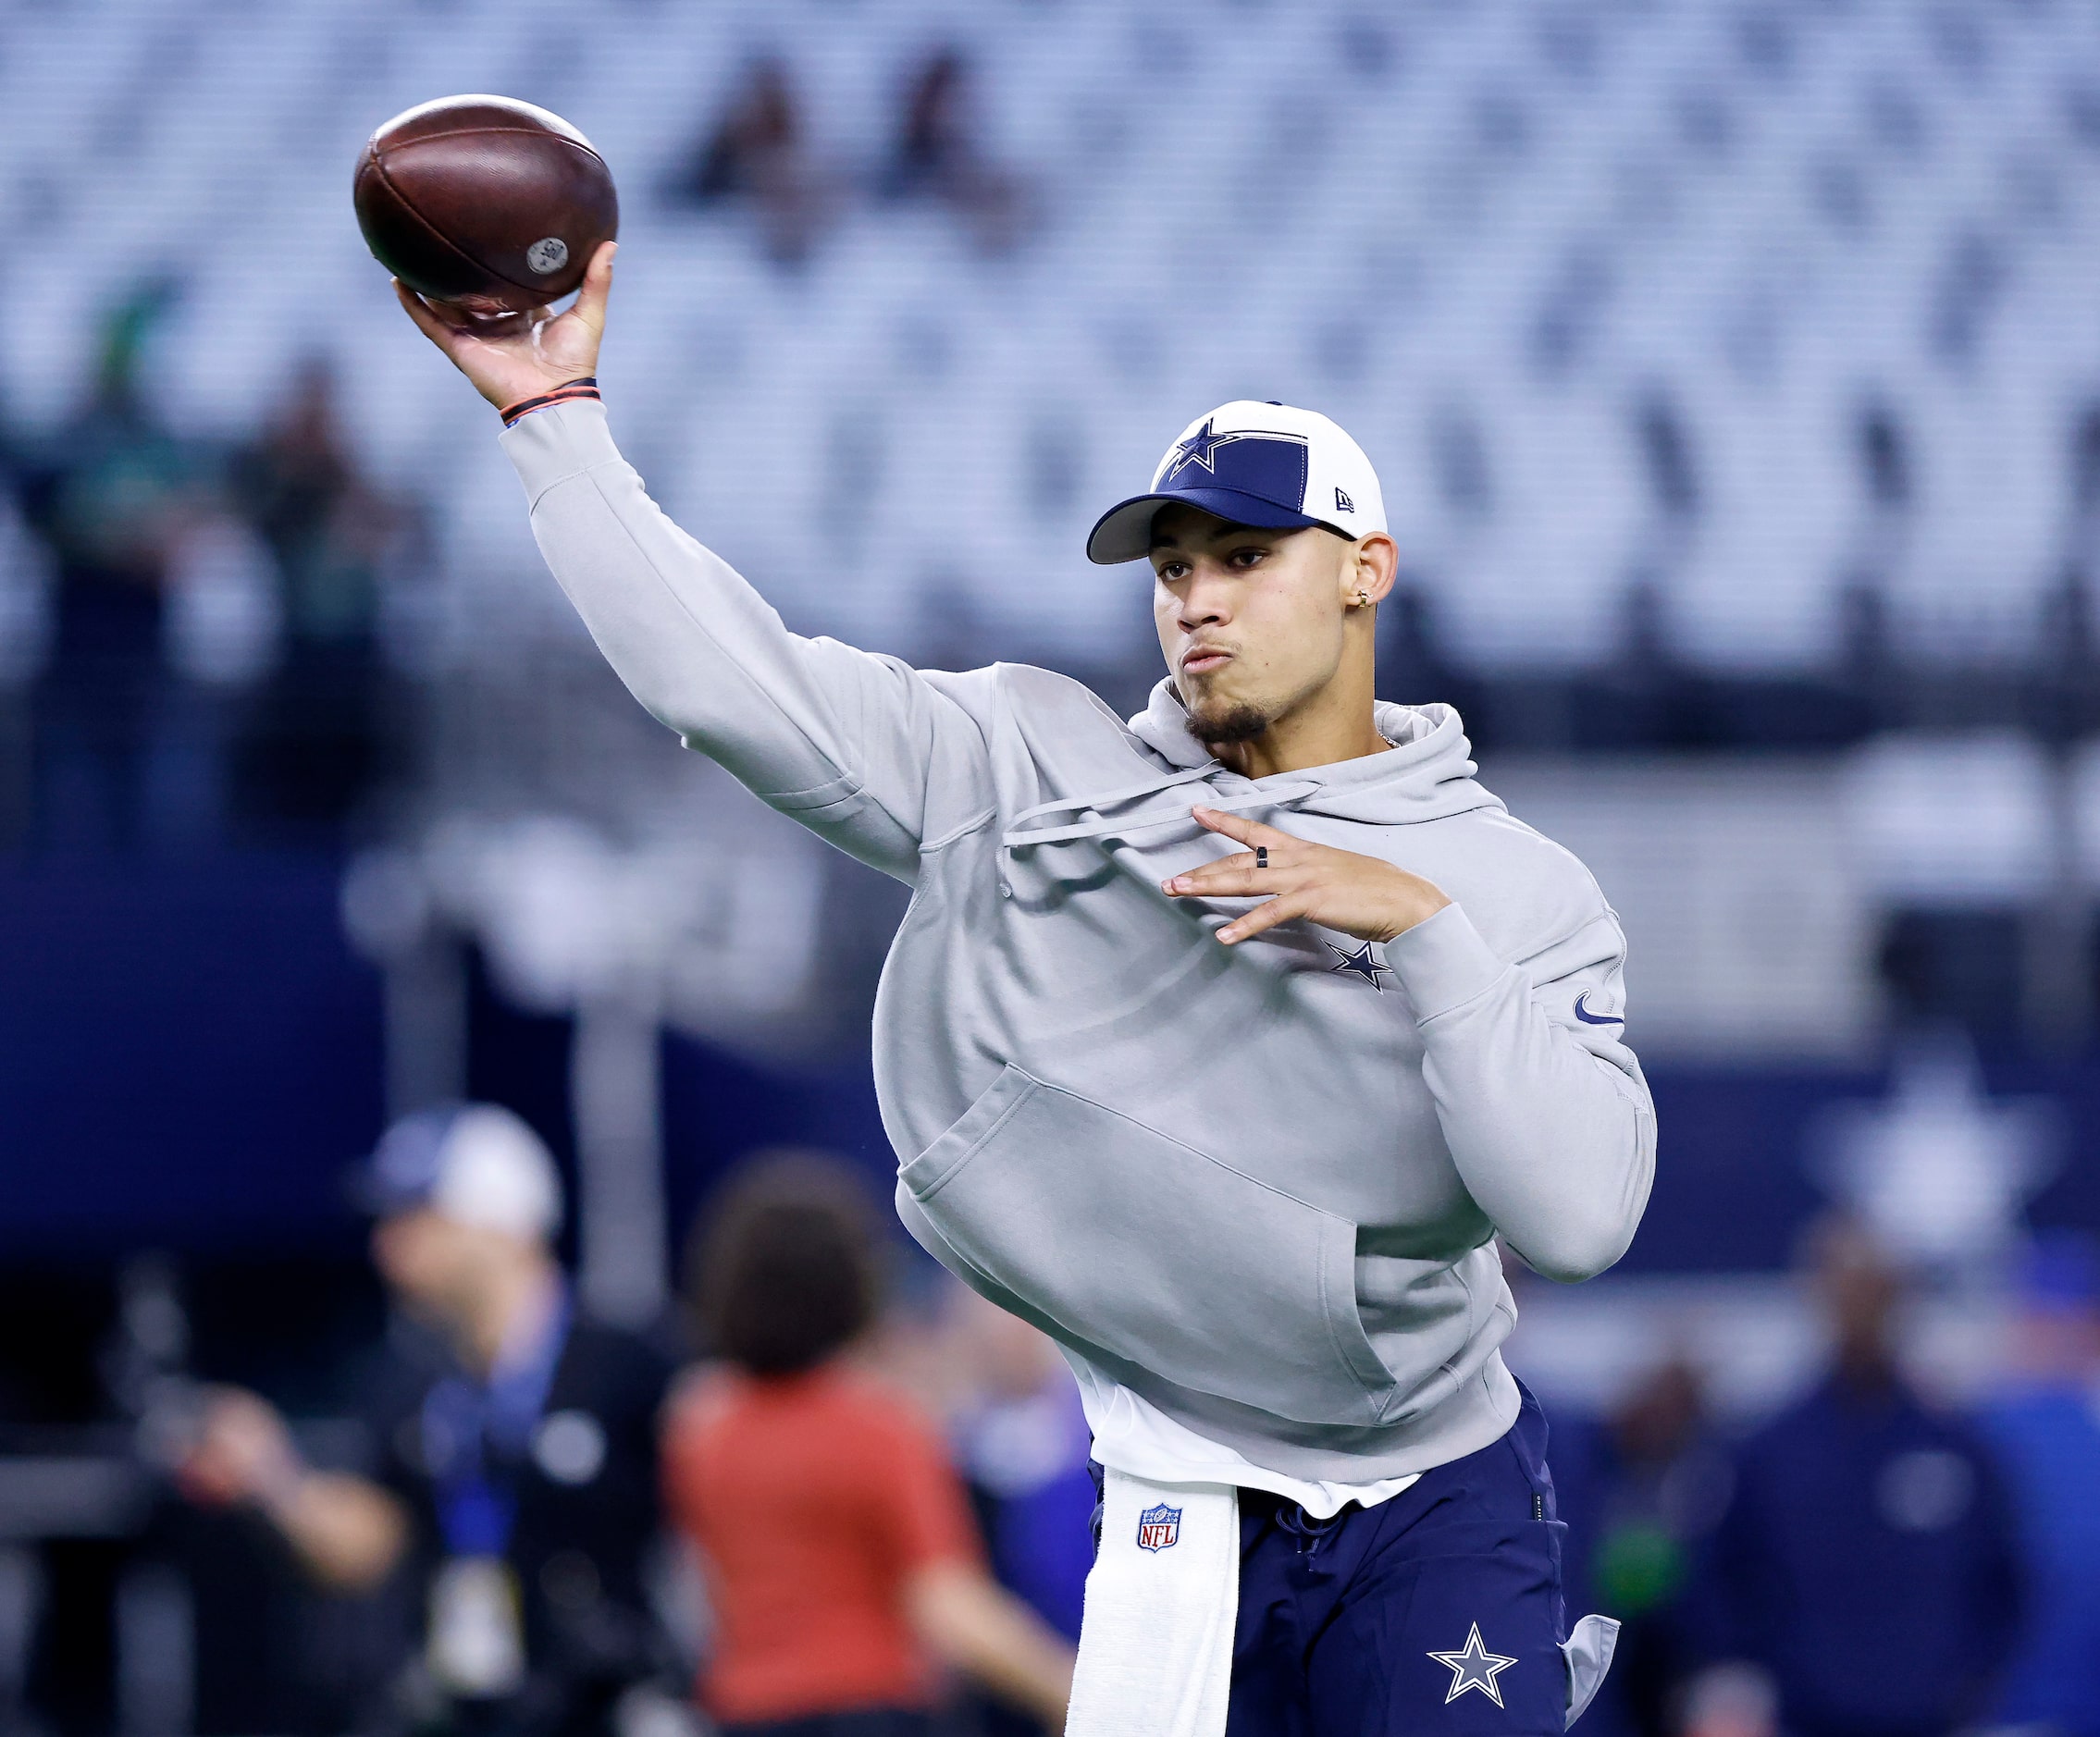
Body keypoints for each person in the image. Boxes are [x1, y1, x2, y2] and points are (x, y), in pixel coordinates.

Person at [395, 246, 1653, 1735]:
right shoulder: (1036, 767)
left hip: (1431, 1478)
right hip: (1177, 1486)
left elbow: (1575, 1224)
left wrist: (1424, 933)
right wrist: (553, 417)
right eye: (1172, 567)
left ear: (1365, 569)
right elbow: (730, 684)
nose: (1195, 601)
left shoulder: (1515, 886)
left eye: (1246, 558)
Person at [179, 1103, 674, 1737]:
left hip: (615, 1701)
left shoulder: (628, 1362)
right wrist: (271, 1473)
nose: (389, 1246)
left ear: (500, 1223)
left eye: (420, 1219)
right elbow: (370, 1544)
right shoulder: (410, 1379)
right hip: (475, 1707)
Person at [661, 1153, 1074, 1732]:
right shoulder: (878, 1430)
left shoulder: (700, 1429)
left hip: (742, 1709)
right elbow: (947, 1601)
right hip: (864, 1707)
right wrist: (1069, 1690)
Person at [1689, 1217, 2022, 1737]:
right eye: (1844, 1290)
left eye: (1874, 1289)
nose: (1860, 1308)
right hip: (1806, 1717)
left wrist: (1967, 1682)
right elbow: (1722, 1579)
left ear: (1901, 1299)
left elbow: (2005, 1584)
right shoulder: (1767, 1448)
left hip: (1931, 1720)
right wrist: (1748, 1679)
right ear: (1817, 1297)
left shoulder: (1959, 1448)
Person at [1974, 1231, 2100, 1736]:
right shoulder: (1978, 1430)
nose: (2050, 1336)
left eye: (2062, 1322)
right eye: (2038, 1321)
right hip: (2004, 1702)